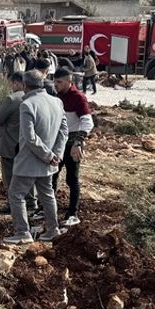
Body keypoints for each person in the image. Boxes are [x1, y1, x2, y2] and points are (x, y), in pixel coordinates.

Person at [3, 70, 68, 245]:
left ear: (25, 85)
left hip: (30, 162)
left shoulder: (27, 104)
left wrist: (47, 155)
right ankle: (53, 229)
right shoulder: (57, 102)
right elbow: (64, 131)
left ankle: (22, 232)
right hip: (49, 161)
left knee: (16, 195)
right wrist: (57, 154)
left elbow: (30, 137)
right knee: (47, 195)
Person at [0, 71, 36, 216]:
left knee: (9, 176)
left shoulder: (12, 99)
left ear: (17, 83)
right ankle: (31, 201)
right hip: (26, 144)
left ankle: (12, 204)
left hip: (10, 143)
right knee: (27, 174)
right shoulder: (33, 98)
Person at [52, 67, 93, 227]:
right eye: (55, 81)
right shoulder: (56, 96)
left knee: (72, 179)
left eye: (59, 82)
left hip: (71, 142)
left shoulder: (78, 98)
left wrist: (78, 142)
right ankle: (48, 208)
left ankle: (73, 213)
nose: (56, 85)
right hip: (58, 142)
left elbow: (87, 121)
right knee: (52, 176)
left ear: (69, 82)